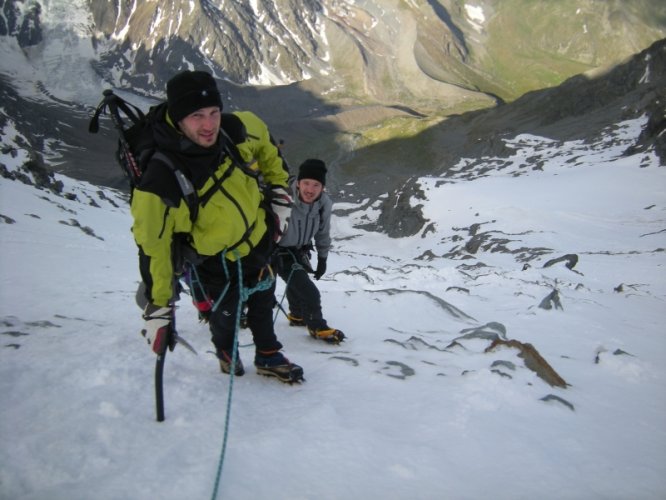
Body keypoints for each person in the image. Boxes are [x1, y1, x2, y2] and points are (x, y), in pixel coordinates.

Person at [131, 69, 303, 383]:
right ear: (178, 117)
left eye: (214, 113)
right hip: (214, 260)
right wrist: (159, 306)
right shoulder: (161, 178)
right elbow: (153, 246)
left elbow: (265, 145)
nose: (209, 125)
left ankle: (267, 353)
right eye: (197, 116)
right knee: (226, 312)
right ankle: (226, 351)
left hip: (259, 239)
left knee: (264, 297)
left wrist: (279, 191)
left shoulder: (237, 129)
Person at [274, 159, 345, 344]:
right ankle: (317, 326)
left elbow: (323, 232)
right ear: (298, 182)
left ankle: (297, 315)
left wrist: (323, 259)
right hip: (275, 251)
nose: (310, 189)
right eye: (306, 183)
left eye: (316, 185)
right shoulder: (283, 197)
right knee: (309, 291)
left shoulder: (323, 204)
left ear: (322, 187)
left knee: (297, 283)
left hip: (299, 251)